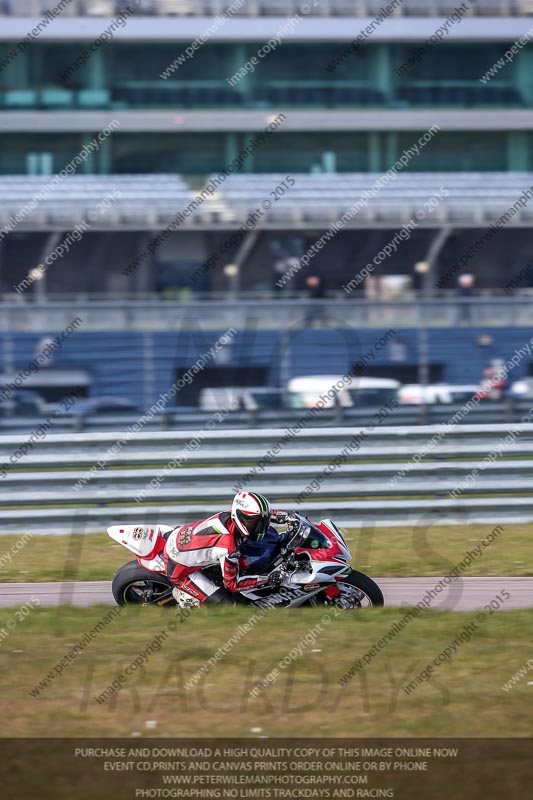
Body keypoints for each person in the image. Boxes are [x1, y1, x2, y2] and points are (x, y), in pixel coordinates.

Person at [164, 491, 291, 607]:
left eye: (262, 522)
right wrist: (267, 579)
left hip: (180, 540)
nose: (260, 527)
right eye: (255, 523)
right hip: (179, 569)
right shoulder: (228, 548)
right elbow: (232, 585)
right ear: (241, 517)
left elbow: (264, 514)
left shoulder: (230, 515)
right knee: (229, 605)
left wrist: (287, 516)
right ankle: (188, 599)